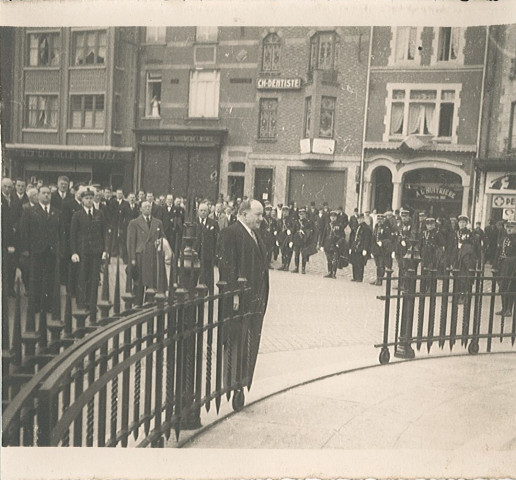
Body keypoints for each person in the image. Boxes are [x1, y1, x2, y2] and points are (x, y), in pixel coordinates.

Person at [218, 199, 269, 388]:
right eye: (258, 214)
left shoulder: (255, 234)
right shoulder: (230, 233)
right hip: (239, 302)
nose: (261, 219)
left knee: (247, 345)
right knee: (235, 344)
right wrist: (235, 295)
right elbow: (227, 267)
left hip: (254, 301)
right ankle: (231, 385)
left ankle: (241, 383)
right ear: (244, 213)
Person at [19, 186, 61, 315]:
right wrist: (25, 249)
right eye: (43, 193)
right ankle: (35, 305)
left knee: (50, 278)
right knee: (35, 278)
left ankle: (47, 305)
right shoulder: (30, 211)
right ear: (38, 195)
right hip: (36, 250)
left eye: (48, 193)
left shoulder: (56, 212)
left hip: (51, 250)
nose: (46, 195)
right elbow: (24, 231)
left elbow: (60, 232)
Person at [70, 187, 109, 312]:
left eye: (91, 198)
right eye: (86, 198)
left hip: (96, 251)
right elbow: (73, 235)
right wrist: (74, 252)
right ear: (82, 200)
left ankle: (91, 303)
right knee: (82, 277)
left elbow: (104, 233)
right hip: (82, 251)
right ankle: (81, 303)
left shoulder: (100, 214)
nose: (89, 201)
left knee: (94, 278)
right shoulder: (77, 215)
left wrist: (105, 250)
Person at [127, 200, 167, 305]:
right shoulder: (134, 223)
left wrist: (160, 240)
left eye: (149, 206)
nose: (148, 208)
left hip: (154, 256)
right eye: (145, 207)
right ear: (140, 209)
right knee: (139, 282)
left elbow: (163, 236)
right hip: (141, 256)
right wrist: (132, 258)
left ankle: (150, 303)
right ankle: (137, 304)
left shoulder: (158, 222)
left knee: (152, 281)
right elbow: (131, 243)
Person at [194, 203, 219, 293]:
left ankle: (206, 292)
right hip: (196, 253)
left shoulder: (213, 223)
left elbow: (217, 240)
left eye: (205, 211)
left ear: (208, 212)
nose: (203, 212)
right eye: (201, 210)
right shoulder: (194, 223)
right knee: (195, 273)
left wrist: (215, 253)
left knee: (207, 274)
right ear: (198, 211)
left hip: (208, 253)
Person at [455, 215, 480, 304]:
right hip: (458, 258)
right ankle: (458, 296)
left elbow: (474, 246)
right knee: (459, 278)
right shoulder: (456, 233)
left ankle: (466, 297)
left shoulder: (470, 234)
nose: (462, 224)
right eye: (460, 222)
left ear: (466, 224)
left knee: (467, 278)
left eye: (464, 223)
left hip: (468, 258)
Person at [419, 218, 445, 293]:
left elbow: (442, 243)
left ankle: (431, 288)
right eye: (428, 224)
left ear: (434, 225)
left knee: (432, 272)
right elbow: (420, 244)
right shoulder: (424, 233)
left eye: (431, 224)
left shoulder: (437, 233)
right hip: (424, 255)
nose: (430, 226)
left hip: (433, 255)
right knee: (424, 272)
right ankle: (423, 288)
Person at [497, 220, 516, 316]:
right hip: (504, 265)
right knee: (502, 287)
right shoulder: (504, 239)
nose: (509, 229)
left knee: (510, 287)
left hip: (512, 266)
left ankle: (509, 309)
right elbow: (500, 251)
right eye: (508, 227)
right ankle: (504, 307)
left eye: (511, 227)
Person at [370, 214, 394, 286]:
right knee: (377, 265)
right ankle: (378, 278)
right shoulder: (376, 226)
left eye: (381, 219)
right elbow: (374, 238)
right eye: (378, 219)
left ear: (384, 220)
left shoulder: (386, 227)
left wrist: (382, 242)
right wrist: (372, 249)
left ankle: (380, 280)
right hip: (376, 249)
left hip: (382, 249)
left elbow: (389, 239)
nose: (379, 221)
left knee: (381, 264)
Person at [2, 178, 17, 296]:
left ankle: (10, 289)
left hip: (13, 237)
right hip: (3, 238)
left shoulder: (15, 200)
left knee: (11, 265)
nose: (7, 189)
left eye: (9, 187)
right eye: (5, 186)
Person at [320, 209, 345, 279]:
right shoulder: (328, 225)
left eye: (334, 216)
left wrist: (338, 243)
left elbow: (342, 236)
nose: (333, 218)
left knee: (335, 259)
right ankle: (329, 272)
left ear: (336, 217)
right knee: (329, 259)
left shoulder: (339, 225)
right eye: (331, 216)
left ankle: (334, 273)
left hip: (335, 244)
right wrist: (321, 245)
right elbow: (324, 235)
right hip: (327, 244)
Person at [291, 208, 315, 274]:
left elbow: (311, 231)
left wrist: (305, 232)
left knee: (304, 255)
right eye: (300, 214)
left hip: (304, 241)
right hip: (297, 240)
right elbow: (293, 231)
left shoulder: (308, 222)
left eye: (303, 214)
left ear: (305, 215)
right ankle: (296, 267)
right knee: (296, 254)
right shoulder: (296, 222)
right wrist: (291, 240)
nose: (301, 216)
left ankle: (303, 268)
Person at [349, 213, 372, 282]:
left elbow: (367, 239)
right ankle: (355, 276)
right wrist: (351, 247)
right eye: (358, 219)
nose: (359, 220)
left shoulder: (366, 228)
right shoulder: (356, 227)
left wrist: (365, 249)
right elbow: (352, 238)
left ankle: (359, 277)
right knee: (354, 262)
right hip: (355, 247)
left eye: (360, 219)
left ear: (363, 219)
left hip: (361, 247)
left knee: (360, 263)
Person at [395, 209, 413, 289]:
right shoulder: (399, 224)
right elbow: (397, 235)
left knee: (406, 266)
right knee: (400, 266)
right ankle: (400, 284)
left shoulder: (411, 225)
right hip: (399, 248)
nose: (404, 218)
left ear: (408, 217)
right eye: (403, 217)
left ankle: (405, 285)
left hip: (407, 249)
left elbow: (413, 237)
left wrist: (406, 241)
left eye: (405, 217)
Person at [277, 205, 296, 271]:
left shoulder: (291, 219)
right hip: (282, 237)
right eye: (283, 211)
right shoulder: (280, 220)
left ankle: (287, 265)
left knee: (288, 251)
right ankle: (283, 264)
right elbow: (278, 229)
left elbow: (294, 228)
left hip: (288, 237)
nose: (285, 213)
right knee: (282, 251)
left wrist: (290, 230)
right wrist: (277, 238)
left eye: (286, 211)